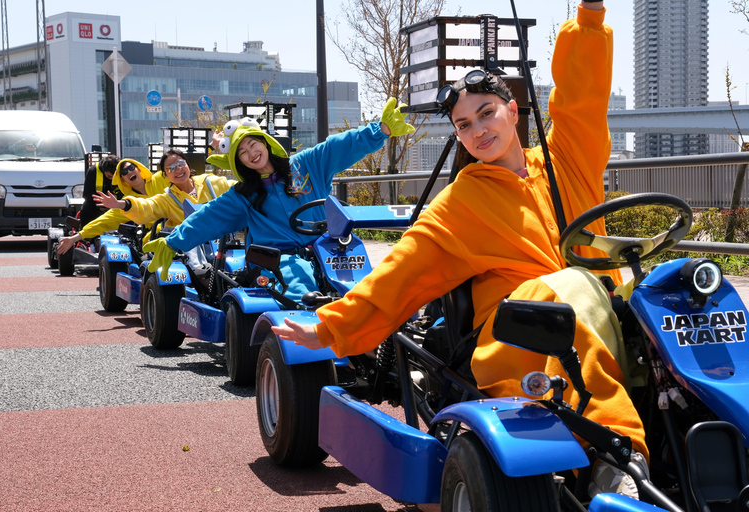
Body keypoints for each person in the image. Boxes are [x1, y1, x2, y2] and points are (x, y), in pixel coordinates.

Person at [272, 1, 650, 499]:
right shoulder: (459, 202)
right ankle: (616, 457)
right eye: (463, 125)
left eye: (486, 113)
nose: (477, 131)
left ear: (514, 111)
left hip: (603, 315)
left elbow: (581, 96)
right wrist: (328, 325)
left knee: (683, 284)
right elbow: (401, 273)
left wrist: (591, 16)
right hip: (520, 337)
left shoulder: (566, 161)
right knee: (566, 287)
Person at [140, 98, 415, 301]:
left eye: (253, 144)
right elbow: (208, 216)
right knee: (305, 293)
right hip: (279, 260)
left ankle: (384, 336)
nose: (251, 153)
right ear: (240, 164)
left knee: (367, 285)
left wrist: (380, 131)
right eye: (242, 153)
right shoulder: (243, 195)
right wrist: (172, 241)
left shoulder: (305, 165)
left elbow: (336, 146)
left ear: (265, 142)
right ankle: (320, 332)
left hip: (329, 249)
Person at [93, 149, 234, 230]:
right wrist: (121, 204)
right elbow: (147, 206)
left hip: (224, 243)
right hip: (189, 247)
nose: (178, 169)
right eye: (171, 168)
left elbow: (239, 187)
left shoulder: (210, 182)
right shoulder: (167, 199)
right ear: (166, 175)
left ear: (187, 165)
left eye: (180, 163)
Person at [56, 159, 168, 254]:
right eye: (124, 172)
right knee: (153, 240)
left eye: (131, 167)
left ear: (138, 168)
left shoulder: (161, 178)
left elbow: (180, 176)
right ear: (122, 179)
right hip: (156, 235)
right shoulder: (127, 202)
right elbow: (102, 222)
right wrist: (73, 239)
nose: (129, 172)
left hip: (182, 226)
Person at [80, 155, 122, 228]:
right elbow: (87, 194)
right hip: (97, 205)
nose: (112, 179)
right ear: (104, 170)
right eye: (109, 176)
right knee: (86, 208)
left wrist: (116, 198)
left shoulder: (124, 172)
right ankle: (87, 236)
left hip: (118, 204)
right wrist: (103, 199)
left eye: (114, 177)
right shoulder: (93, 171)